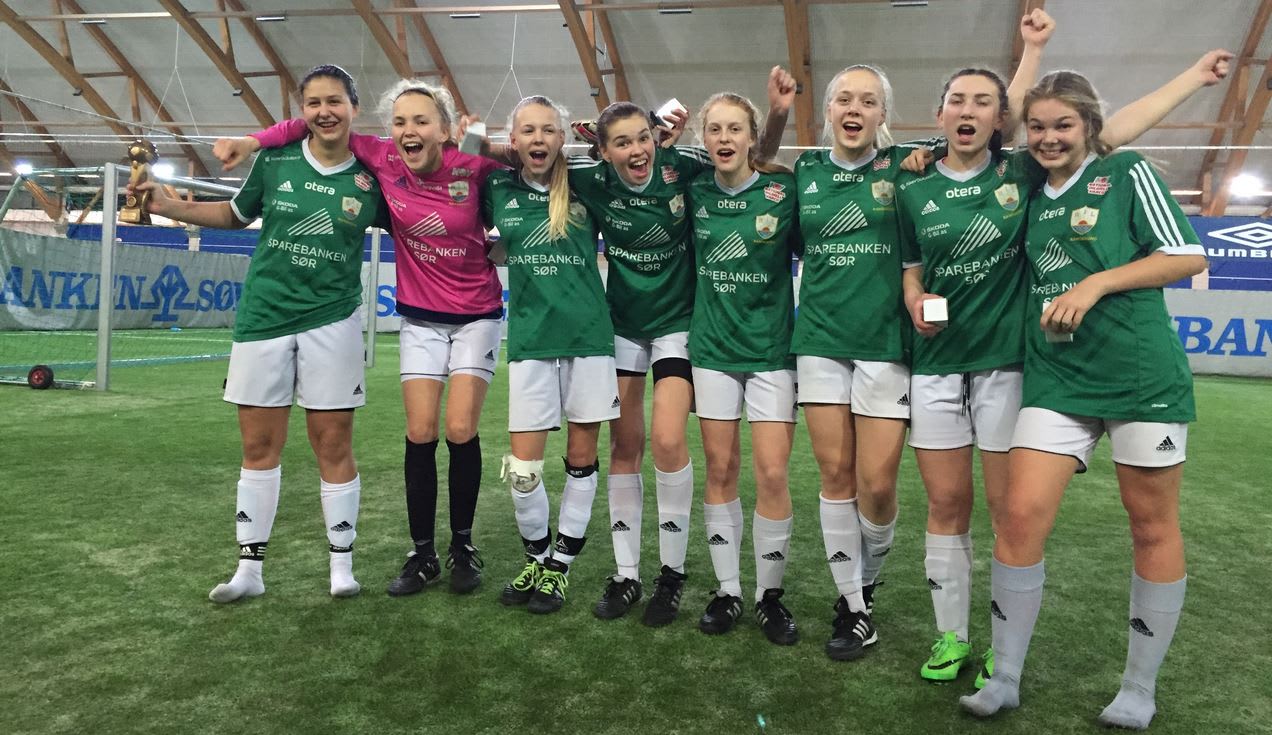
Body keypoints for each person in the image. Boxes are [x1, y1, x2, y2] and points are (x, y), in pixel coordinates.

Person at [960, 63, 1226, 728]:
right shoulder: (1027, 185)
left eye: (1063, 125)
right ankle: (1005, 676)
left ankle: (1138, 688)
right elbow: (993, 126)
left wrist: (1097, 283)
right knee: (1019, 516)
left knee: (1150, 524)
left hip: (1139, 376)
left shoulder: (1126, 173)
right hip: (1056, 378)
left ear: (1089, 128)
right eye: (1038, 127)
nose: (1049, 137)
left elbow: (1187, 256)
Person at [221, 80, 503, 596]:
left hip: (475, 314)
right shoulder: (380, 156)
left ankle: (463, 546)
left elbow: (527, 175)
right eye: (400, 122)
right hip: (420, 316)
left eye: (421, 121)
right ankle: (422, 555)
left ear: (445, 129)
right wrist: (254, 141)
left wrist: (491, 150)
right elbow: (314, 123)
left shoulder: (474, 167)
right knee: (420, 431)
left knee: (460, 428)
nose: (409, 130)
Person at [138, 65, 387, 602]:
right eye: (314, 102)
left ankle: (341, 567)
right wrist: (167, 205)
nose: (325, 111)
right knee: (258, 444)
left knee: (333, 443)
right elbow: (234, 214)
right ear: (302, 111)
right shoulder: (274, 161)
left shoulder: (374, 175)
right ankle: (248, 573)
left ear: (354, 108)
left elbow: (414, 221)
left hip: (333, 319)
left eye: (335, 101)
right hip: (264, 318)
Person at [777, 62, 938, 661]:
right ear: (827, 111)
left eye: (868, 101)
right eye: (844, 99)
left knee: (877, 483)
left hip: (885, 343)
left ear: (883, 115)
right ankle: (854, 606)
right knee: (835, 476)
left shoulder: (905, 167)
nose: (854, 109)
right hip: (819, 340)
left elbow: (980, 133)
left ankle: (866, 581)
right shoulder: (806, 172)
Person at [568, 101, 709, 625]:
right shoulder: (591, 180)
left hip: (677, 324)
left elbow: (747, 158)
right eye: (622, 142)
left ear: (657, 138)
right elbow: (526, 159)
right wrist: (470, 142)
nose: (636, 150)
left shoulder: (683, 166)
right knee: (624, 447)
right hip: (624, 325)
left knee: (669, 441)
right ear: (603, 152)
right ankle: (627, 574)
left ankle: (671, 576)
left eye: (643, 137)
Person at [487, 95, 618, 615]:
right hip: (531, 342)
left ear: (562, 138)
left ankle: (559, 569)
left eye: (548, 130)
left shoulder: (585, 183)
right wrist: (492, 149)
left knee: (581, 461)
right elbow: (457, 152)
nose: (538, 139)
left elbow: (625, 155)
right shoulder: (497, 187)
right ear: (513, 140)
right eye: (528, 131)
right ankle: (536, 559)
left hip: (588, 339)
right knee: (522, 471)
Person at [688, 91, 800, 645]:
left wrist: (779, 114)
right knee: (720, 469)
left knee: (773, 474)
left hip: (772, 353)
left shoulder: (784, 192)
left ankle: (769, 596)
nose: (724, 138)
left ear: (753, 137)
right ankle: (728, 589)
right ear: (703, 138)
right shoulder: (693, 191)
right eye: (715, 129)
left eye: (735, 129)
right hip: (712, 351)